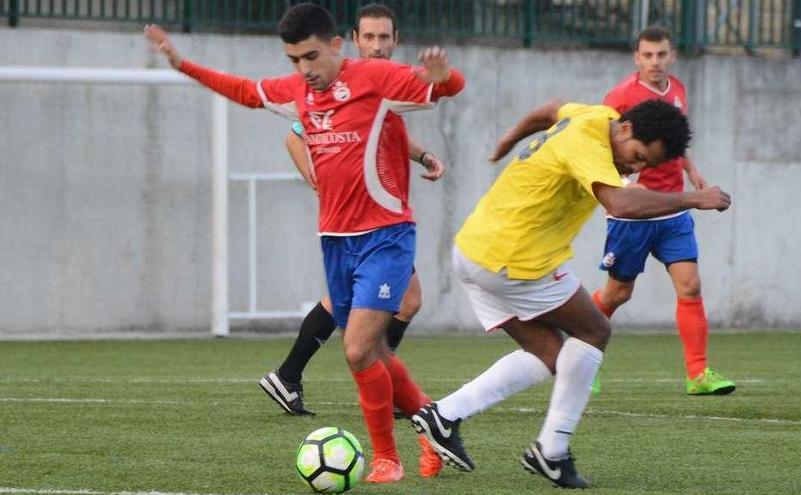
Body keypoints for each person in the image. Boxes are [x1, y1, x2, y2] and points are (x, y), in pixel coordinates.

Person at [144, 2, 464, 482]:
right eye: (295, 60)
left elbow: (444, 87)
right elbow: (243, 90)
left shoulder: (375, 78)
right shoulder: (298, 91)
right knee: (374, 353)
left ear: (336, 45)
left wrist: (446, 77)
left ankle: (386, 459)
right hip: (335, 242)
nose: (304, 70)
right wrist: (183, 64)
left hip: (386, 236)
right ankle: (434, 425)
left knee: (357, 350)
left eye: (311, 57)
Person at [413, 99, 730, 488]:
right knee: (595, 330)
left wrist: (509, 139)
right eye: (638, 157)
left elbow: (547, 110)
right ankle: (552, 451)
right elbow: (620, 203)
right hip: (512, 260)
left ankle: (442, 415)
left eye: (647, 165)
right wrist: (693, 199)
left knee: (548, 354)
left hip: (476, 249)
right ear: (626, 130)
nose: (637, 169)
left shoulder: (594, 114)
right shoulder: (589, 142)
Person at [266, 2, 447, 420]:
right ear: (353, 39)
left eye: (385, 37)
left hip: (379, 220)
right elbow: (295, 137)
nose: (378, 45)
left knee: (396, 300)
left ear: (396, 40)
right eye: (369, 37)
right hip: (362, 224)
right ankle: (369, 379)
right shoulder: (340, 81)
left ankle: (291, 375)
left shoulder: (385, 83)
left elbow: (388, 136)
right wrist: (319, 181)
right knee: (399, 299)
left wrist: (421, 157)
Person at [594, 27, 735, 395]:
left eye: (661, 55)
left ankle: (699, 375)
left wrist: (691, 170)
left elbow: (675, 141)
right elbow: (601, 143)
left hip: (674, 210)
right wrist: (625, 186)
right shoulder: (620, 96)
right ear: (636, 58)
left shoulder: (678, 91)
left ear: (671, 56)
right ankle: (579, 357)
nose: (655, 62)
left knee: (690, 285)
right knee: (617, 294)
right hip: (634, 213)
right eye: (648, 55)